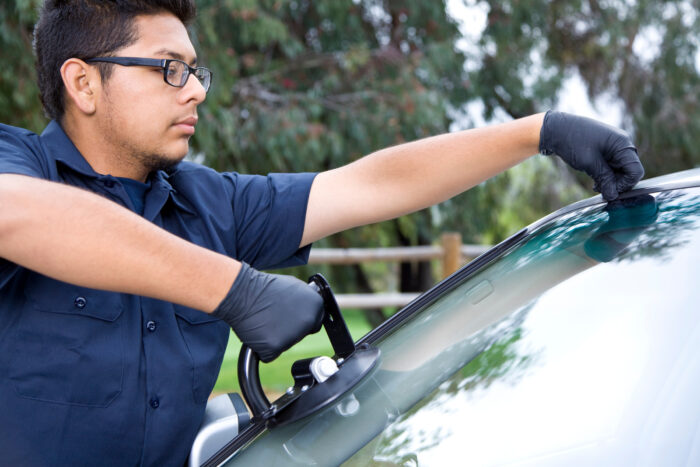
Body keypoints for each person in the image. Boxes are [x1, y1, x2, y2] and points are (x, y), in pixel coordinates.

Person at [0, 0, 644, 465]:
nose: (194, 91)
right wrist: (236, 289)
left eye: (196, 71)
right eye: (170, 68)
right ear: (83, 81)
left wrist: (538, 132)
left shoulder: (209, 204)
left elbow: (369, 185)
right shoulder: (16, 164)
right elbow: (19, 213)